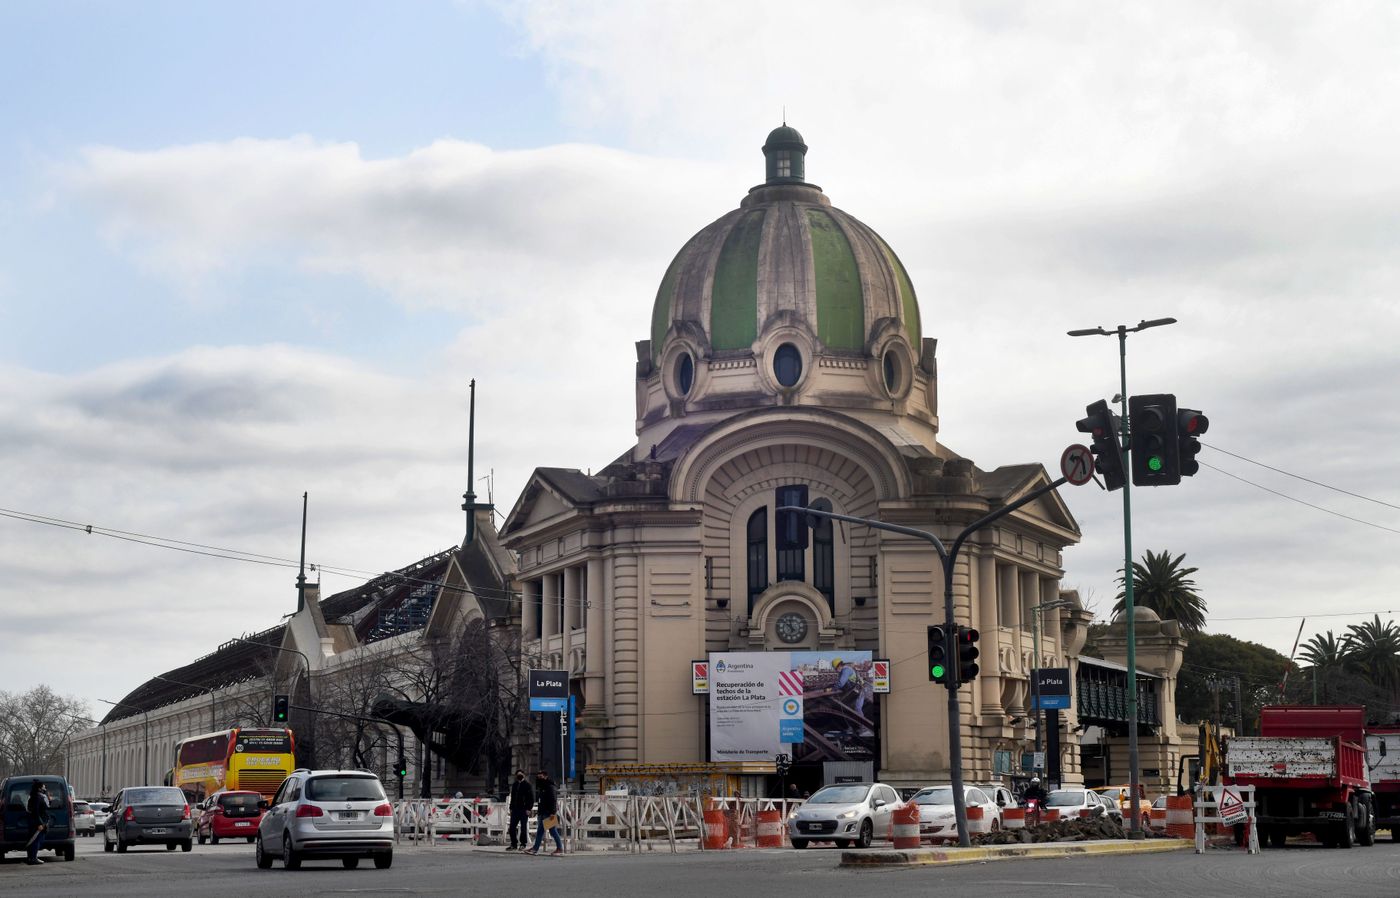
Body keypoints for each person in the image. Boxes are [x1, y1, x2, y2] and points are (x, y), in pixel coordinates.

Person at [525, 770, 562, 856]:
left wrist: (553, 813)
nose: (539, 778)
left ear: (545, 776)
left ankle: (559, 848)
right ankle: (535, 849)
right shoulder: (542, 787)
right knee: (540, 831)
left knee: (552, 831)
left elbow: (553, 800)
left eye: (541, 776)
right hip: (542, 812)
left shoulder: (549, 787)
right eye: (538, 777)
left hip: (548, 813)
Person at [507, 769, 533, 851]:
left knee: (523, 827)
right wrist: (511, 808)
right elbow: (513, 797)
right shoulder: (514, 785)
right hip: (515, 809)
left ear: (524, 775)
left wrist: (529, 808)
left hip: (524, 809)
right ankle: (513, 844)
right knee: (511, 827)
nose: (519, 776)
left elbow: (531, 798)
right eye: (518, 774)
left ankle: (523, 843)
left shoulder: (527, 785)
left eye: (521, 774)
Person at [25, 782, 51, 865]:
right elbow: (35, 811)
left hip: (40, 822)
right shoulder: (37, 797)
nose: (45, 789)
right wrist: (39, 823)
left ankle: (32, 857)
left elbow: (46, 807)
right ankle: (32, 858)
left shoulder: (38, 796)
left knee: (37, 840)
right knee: (35, 841)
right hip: (38, 823)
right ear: (39, 788)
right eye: (43, 787)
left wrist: (50, 800)